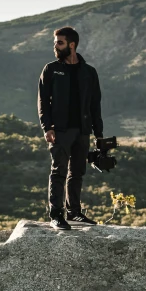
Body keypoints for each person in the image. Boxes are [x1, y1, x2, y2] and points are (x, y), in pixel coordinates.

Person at [37, 26, 103, 230]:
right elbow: (42, 102)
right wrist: (47, 127)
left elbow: (95, 104)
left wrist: (98, 135)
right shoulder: (51, 69)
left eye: (59, 42)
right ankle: (56, 214)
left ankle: (74, 212)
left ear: (71, 45)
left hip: (82, 130)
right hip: (60, 131)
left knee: (77, 172)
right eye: (55, 42)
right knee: (59, 171)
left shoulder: (89, 72)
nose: (55, 46)